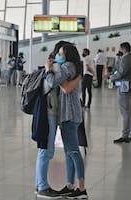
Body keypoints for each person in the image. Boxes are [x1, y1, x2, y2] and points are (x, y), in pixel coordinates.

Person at [35, 41, 82, 199]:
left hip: (52, 112)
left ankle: (43, 185)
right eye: (59, 54)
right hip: (50, 112)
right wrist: (49, 70)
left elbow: (65, 87)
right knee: (47, 151)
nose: (59, 56)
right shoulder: (56, 68)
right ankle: (42, 187)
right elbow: (52, 83)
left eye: (61, 54)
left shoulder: (61, 67)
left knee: (47, 150)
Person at [45, 44, 88, 199]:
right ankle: (70, 185)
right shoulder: (72, 66)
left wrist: (48, 69)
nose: (58, 55)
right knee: (68, 152)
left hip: (69, 114)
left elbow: (51, 82)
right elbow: (64, 86)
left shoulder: (68, 66)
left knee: (73, 152)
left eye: (61, 53)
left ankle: (81, 188)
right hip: (69, 114)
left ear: (68, 55)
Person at [111, 42, 131, 143]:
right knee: (129, 112)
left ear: (124, 49)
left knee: (125, 112)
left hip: (124, 86)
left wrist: (112, 77)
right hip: (129, 86)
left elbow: (121, 72)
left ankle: (125, 135)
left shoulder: (126, 58)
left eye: (121, 49)